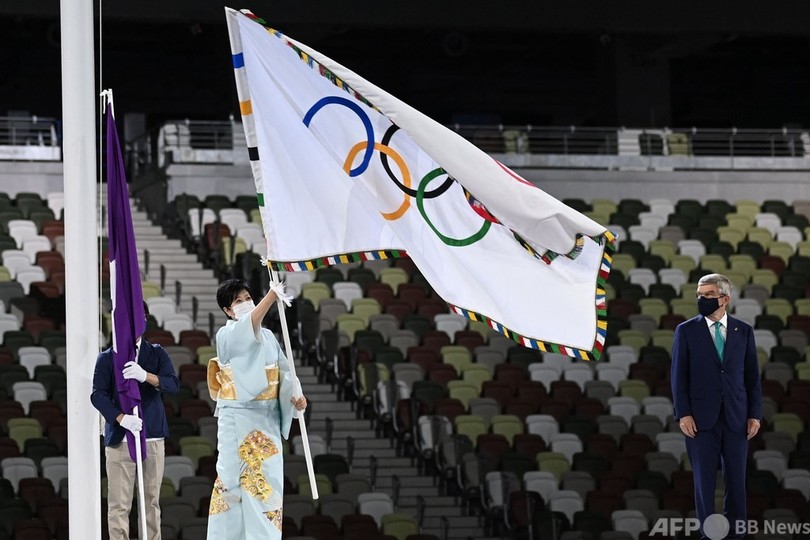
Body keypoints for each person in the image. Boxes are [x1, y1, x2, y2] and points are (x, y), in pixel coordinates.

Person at [207, 278, 306, 540]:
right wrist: (271, 297)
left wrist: (296, 398)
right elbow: (246, 332)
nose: (245, 304)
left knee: (266, 485)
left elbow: (285, 374)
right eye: (238, 301)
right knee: (231, 484)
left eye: (247, 298)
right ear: (228, 310)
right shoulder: (226, 335)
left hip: (267, 419)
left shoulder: (271, 337)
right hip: (237, 417)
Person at [671, 273, 762, 539]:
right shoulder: (686, 330)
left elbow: (752, 377)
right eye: (700, 295)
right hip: (700, 419)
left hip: (737, 417)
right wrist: (683, 413)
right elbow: (678, 376)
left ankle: (736, 535)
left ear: (725, 298)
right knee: (704, 483)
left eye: (708, 295)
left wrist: (755, 414)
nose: (702, 299)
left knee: (736, 482)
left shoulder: (743, 331)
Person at [91, 302, 180, 540]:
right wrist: (121, 419)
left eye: (137, 317)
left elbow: (172, 384)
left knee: (151, 502)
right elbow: (97, 395)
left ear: (145, 319)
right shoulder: (107, 358)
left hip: (152, 436)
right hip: (121, 437)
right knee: (119, 504)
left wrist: (145, 375)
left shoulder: (157, 353)